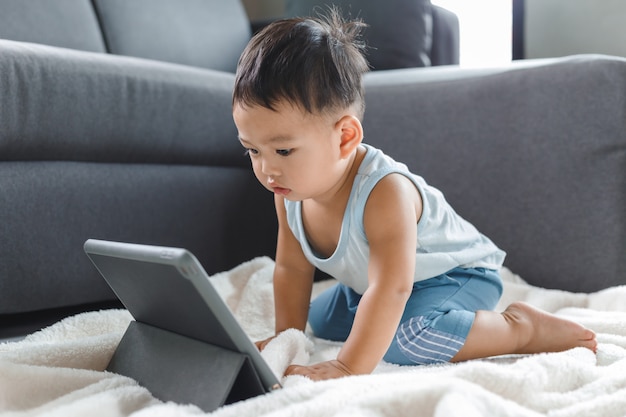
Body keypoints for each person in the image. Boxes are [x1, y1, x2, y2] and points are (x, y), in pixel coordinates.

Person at [231, 9, 597, 381]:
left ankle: (520, 328)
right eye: (253, 151)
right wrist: (286, 337)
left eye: (283, 151)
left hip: (455, 275)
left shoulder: (384, 192)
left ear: (344, 138)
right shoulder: (289, 191)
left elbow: (393, 287)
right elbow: (292, 269)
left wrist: (347, 365)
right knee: (320, 320)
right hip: (378, 282)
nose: (266, 169)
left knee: (405, 341)